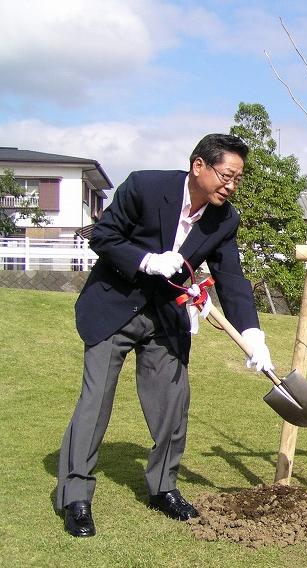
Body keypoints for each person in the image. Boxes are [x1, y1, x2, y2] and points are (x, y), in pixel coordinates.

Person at [56, 133, 274, 537]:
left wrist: (252, 333)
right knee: (96, 401)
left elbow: (231, 278)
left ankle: (162, 487)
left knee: (172, 404)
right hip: (115, 307)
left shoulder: (225, 219)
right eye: (226, 175)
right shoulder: (144, 185)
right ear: (199, 166)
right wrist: (147, 261)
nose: (231, 185)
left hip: (166, 317)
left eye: (237, 180)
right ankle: (75, 495)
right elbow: (103, 236)